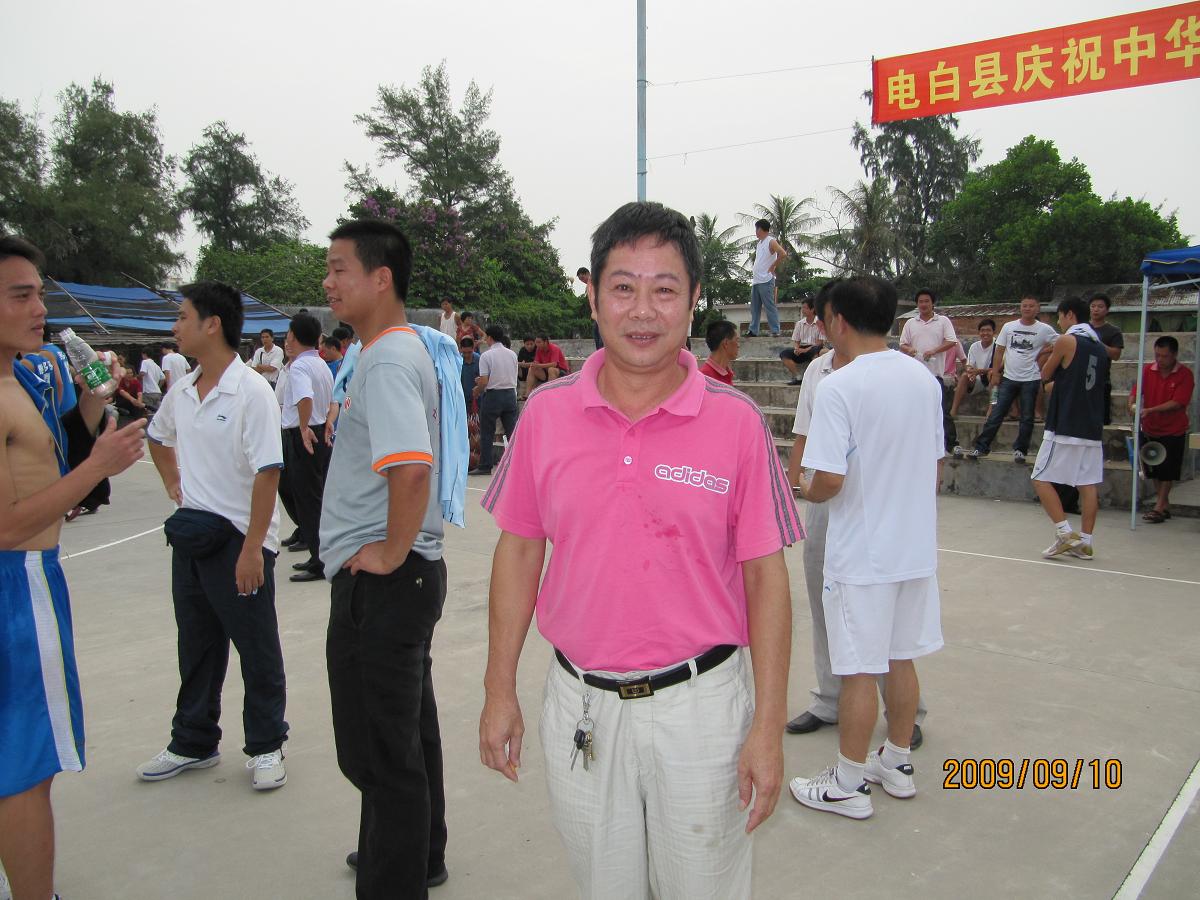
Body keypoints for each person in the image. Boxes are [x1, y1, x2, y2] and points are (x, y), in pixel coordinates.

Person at [478, 201, 802, 899]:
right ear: (593, 297)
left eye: (665, 289)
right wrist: (498, 689)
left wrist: (767, 727)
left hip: (702, 711)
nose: (643, 310)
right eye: (623, 287)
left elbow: (766, 580)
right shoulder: (546, 415)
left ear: (694, 299)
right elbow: (519, 553)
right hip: (581, 704)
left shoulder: (737, 424)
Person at [0, 235, 145, 900]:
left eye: (39, 294)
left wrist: (90, 404)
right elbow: (7, 526)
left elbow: (45, 452)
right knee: (27, 765)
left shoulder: (20, 376)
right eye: (21, 296)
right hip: (17, 584)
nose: (40, 309)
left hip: (28, 575)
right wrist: (99, 468)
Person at [319, 219, 450, 896]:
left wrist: (392, 551)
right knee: (405, 732)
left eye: (339, 268)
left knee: (378, 748)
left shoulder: (389, 359)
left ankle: (394, 878)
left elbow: (412, 470)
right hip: (405, 580)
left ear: (381, 278)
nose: (328, 282)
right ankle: (416, 854)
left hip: (387, 584)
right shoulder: (387, 352)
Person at [789, 276, 943, 821]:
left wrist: (804, 486)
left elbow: (828, 480)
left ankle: (848, 783)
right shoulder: (922, 379)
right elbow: (934, 465)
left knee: (857, 667)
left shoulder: (840, 386)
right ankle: (896, 763)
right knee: (899, 657)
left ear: (838, 320)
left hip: (863, 554)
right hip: (913, 549)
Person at [139, 281, 290, 794]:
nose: (175, 327)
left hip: (239, 540)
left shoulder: (251, 392)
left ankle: (267, 744)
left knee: (256, 647)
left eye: (183, 317)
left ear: (212, 324)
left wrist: (252, 549)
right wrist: (174, 484)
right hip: (192, 536)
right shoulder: (183, 390)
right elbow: (157, 437)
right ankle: (194, 741)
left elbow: (268, 472)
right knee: (197, 645)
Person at [1031, 297, 1110, 560]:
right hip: (1091, 425)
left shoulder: (1067, 341)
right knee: (1087, 484)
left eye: (1060, 316)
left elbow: (1045, 374)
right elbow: (1076, 381)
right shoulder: (1099, 347)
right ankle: (1085, 542)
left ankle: (1064, 533)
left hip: (1066, 424)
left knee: (1040, 477)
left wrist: (1045, 354)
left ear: (1069, 315)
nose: (1059, 321)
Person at [956, 297, 1058, 464]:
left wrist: (1043, 353)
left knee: (1027, 417)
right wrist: (996, 372)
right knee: (996, 413)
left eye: (1031, 306)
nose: (1027, 308)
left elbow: (1060, 344)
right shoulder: (1009, 327)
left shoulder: (1044, 329)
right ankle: (981, 447)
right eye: (1024, 305)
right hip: (1009, 378)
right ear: (1021, 308)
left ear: (1037, 308)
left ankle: (1020, 450)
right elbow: (999, 351)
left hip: (1031, 379)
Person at [280, 313, 334, 583]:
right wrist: (326, 421)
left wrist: (302, 428)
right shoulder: (320, 364)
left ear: (294, 336)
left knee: (308, 501)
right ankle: (318, 555)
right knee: (316, 497)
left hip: (306, 436)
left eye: (288, 334)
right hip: (321, 430)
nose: (286, 340)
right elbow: (333, 399)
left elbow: (305, 398)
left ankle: (320, 561)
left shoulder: (300, 366)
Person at [1130, 335, 1194, 523]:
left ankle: (1158, 507)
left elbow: (1178, 402)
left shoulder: (1185, 374)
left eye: (1164, 356)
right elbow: (1135, 392)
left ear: (1174, 355)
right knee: (1154, 468)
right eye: (1157, 355)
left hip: (1173, 429)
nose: (1160, 359)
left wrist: (1150, 410)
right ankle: (1163, 504)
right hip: (1150, 427)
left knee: (1168, 470)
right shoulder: (1147, 370)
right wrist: (1132, 404)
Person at [900, 289, 959, 454]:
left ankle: (952, 444)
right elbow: (902, 344)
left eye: (927, 301)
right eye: (920, 302)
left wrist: (934, 351)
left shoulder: (943, 321)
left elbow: (951, 341)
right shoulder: (910, 323)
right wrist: (910, 349)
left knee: (941, 410)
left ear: (933, 303)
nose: (923, 304)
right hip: (915, 376)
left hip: (935, 374)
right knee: (914, 411)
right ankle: (915, 443)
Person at [470, 325, 520, 477]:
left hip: (493, 395)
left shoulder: (486, 356)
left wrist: (477, 389)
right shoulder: (512, 354)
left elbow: (484, 381)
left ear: (490, 338)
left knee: (487, 431)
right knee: (512, 432)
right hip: (510, 393)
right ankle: (518, 462)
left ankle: (485, 465)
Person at [1089, 293, 1124, 426]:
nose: (1096, 309)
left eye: (1100, 306)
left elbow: (1116, 355)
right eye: (1093, 306)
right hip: (1081, 379)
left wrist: (1098, 343)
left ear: (1107, 310)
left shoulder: (1113, 331)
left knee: (1101, 420)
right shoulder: (1082, 328)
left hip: (1102, 379)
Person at [949, 319, 997, 417]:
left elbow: (998, 368)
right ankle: (953, 411)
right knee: (964, 376)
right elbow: (969, 364)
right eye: (982, 330)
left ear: (993, 332)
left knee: (993, 375)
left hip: (993, 378)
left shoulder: (998, 346)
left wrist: (978, 371)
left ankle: (992, 409)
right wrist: (970, 370)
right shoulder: (974, 346)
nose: (985, 333)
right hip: (978, 379)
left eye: (988, 330)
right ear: (979, 332)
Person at [747, 218, 786, 337]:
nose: (756, 232)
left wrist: (773, 266)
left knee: (769, 306)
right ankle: (753, 330)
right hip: (756, 280)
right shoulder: (759, 243)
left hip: (766, 279)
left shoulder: (771, 241)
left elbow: (783, 253)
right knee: (755, 308)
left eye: (757, 229)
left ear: (761, 229)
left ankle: (775, 330)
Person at [779, 297, 824, 384]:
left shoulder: (820, 322)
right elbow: (796, 341)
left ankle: (814, 379)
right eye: (802, 307)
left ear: (812, 309)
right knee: (784, 354)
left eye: (805, 308)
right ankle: (798, 377)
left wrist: (804, 350)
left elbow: (819, 343)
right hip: (802, 347)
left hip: (815, 347)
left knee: (817, 351)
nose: (803, 310)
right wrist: (796, 348)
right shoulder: (799, 323)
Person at [700, 319, 739, 385]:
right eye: (737, 340)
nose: (738, 345)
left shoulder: (727, 373)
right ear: (726, 343)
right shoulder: (704, 378)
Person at [578, 267, 603, 350]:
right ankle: (600, 355)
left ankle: (603, 355)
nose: (582, 281)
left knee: (601, 339)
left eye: (582, 278)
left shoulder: (595, 280)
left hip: (602, 313)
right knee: (596, 336)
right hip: (596, 314)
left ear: (587, 273)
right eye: (580, 279)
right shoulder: (589, 285)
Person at [139, 347, 165, 412]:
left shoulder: (145, 362)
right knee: (157, 412)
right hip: (157, 392)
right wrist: (158, 386)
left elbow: (143, 373)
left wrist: (137, 378)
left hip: (148, 392)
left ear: (144, 354)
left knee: (148, 411)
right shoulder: (156, 365)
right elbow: (163, 378)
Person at [459, 336, 480, 413]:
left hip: (478, 400)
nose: (467, 355)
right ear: (460, 349)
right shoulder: (458, 361)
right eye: (464, 353)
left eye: (469, 352)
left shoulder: (479, 359)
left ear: (473, 348)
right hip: (462, 399)